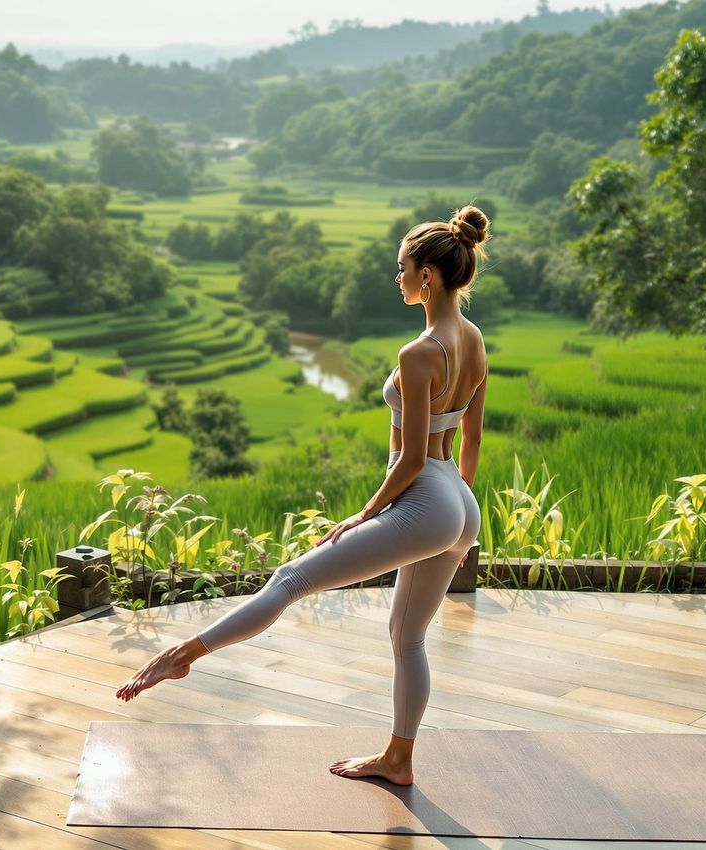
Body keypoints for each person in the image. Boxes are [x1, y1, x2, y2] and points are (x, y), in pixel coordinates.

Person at [114, 205, 491, 788]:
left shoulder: (419, 353)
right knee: (407, 637)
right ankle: (398, 759)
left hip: (427, 499)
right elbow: (472, 438)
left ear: (428, 277)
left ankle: (182, 655)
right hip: (458, 502)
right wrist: (464, 523)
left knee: (290, 578)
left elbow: (412, 459)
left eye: (401, 268)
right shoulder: (473, 339)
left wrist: (364, 515)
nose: (395, 278)